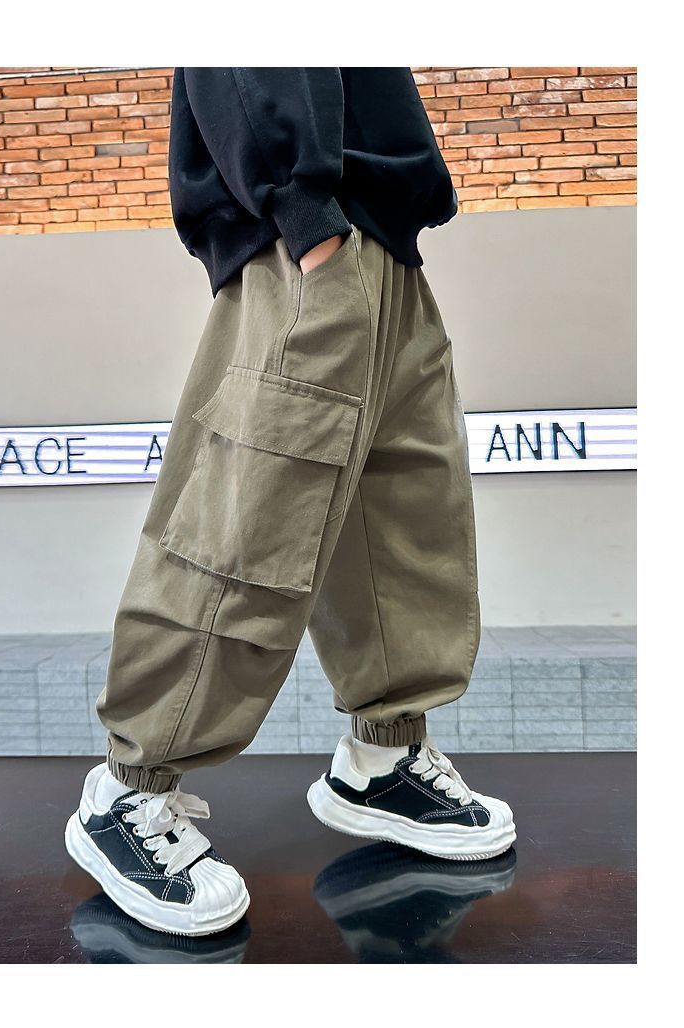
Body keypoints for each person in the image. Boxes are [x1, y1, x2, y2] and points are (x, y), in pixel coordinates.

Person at [65, 67, 516, 937]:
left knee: (404, 523)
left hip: (385, 246)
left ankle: (383, 762)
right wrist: (306, 219)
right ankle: (126, 795)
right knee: (247, 532)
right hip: (308, 240)